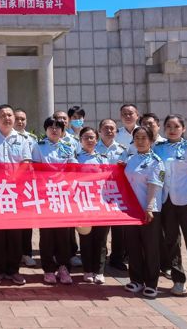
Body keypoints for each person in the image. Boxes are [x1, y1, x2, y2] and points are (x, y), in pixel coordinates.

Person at [155, 115, 187, 301]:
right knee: (171, 241)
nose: (172, 129)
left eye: (176, 126)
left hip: (186, 201)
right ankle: (178, 280)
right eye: (168, 126)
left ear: (183, 129)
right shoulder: (158, 148)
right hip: (166, 202)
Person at [0, 104, 31, 286]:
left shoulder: (22, 139)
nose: (7, 118)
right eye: (3, 115)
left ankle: (14, 270)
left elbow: (26, 162)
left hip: (15, 193)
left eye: (10, 115)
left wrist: (13, 180)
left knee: (15, 234)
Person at [31, 117, 78, 285]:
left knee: (64, 234)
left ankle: (64, 267)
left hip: (64, 196)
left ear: (62, 131)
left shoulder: (68, 146)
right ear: (45, 130)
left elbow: (73, 168)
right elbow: (35, 170)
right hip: (46, 196)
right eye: (50, 127)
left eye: (58, 127)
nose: (54, 130)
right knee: (47, 235)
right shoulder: (39, 146)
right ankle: (49, 269)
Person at [123, 126, 165, 299]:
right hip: (131, 211)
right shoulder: (130, 159)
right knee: (133, 246)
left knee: (150, 247)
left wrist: (149, 207)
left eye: (144, 138)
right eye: (137, 138)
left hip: (149, 210)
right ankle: (136, 280)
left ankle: (152, 283)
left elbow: (155, 185)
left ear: (151, 140)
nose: (140, 141)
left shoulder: (156, 161)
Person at [76, 127, 110, 285]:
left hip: (101, 204)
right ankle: (87, 270)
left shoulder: (103, 158)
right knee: (86, 239)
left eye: (92, 137)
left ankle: (99, 271)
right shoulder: (75, 158)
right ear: (80, 140)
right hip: (83, 204)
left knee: (101, 239)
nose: (89, 140)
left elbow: (109, 179)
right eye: (86, 137)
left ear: (97, 140)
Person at [96, 118, 128, 271]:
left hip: (117, 194)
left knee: (119, 230)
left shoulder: (123, 150)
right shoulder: (93, 148)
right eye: (106, 128)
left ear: (116, 131)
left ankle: (117, 258)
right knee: (101, 230)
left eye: (112, 128)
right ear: (99, 131)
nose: (109, 131)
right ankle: (100, 259)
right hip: (99, 194)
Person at [52, 110, 81, 267]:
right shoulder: (46, 141)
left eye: (64, 118)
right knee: (54, 223)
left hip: (70, 187)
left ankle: (71, 253)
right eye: (58, 118)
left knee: (70, 223)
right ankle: (55, 253)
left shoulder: (74, 140)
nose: (62, 121)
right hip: (51, 188)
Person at [13, 108, 38, 268]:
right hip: (8, 185)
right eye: (17, 119)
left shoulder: (33, 139)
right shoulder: (5, 137)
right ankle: (14, 253)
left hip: (27, 185)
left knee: (27, 221)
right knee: (12, 221)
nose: (20, 122)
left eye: (23, 119)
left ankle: (27, 253)